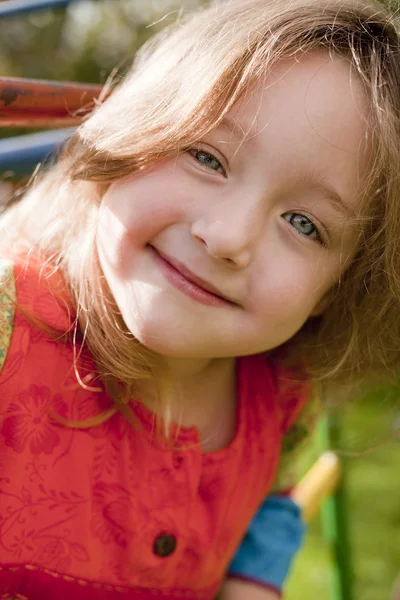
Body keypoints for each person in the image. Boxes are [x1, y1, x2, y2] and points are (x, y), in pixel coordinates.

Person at [1, 0, 400, 598]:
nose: (228, 237)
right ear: (134, 131)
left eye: (303, 223)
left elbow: (268, 503)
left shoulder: (281, 397)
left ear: (335, 288)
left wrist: (250, 581)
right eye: (206, 157)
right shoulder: (9, 331)